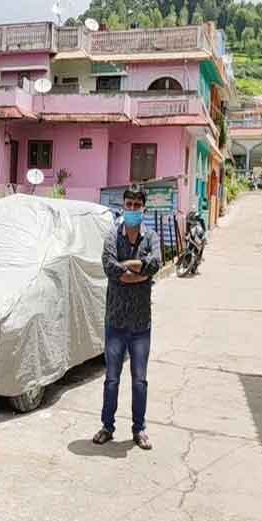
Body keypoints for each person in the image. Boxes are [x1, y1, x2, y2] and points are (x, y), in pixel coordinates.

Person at [93, 186, 162, 450]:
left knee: (140, 380)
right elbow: (110, 266)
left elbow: (155, 263)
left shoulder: (151, 237)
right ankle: (107, 427)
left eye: (137, 205)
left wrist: (129, 266)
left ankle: (139, 429)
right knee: (112, 378)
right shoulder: (112, 236)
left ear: (143, 207)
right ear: (124, 206)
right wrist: (139, 269)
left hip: (140, 323)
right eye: (129, 205)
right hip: (116, 321)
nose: (132, 209)